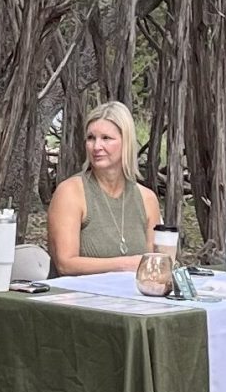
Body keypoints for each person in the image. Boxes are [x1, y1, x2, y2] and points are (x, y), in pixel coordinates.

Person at [47, 101, 162, 274]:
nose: (96, 147)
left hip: (132, 297)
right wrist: (125, 265)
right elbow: (65, 264)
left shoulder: (147, 198)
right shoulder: (71, 192)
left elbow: (154, 264)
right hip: (77, 296)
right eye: (91, 138)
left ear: (126, 142)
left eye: (106, 138)